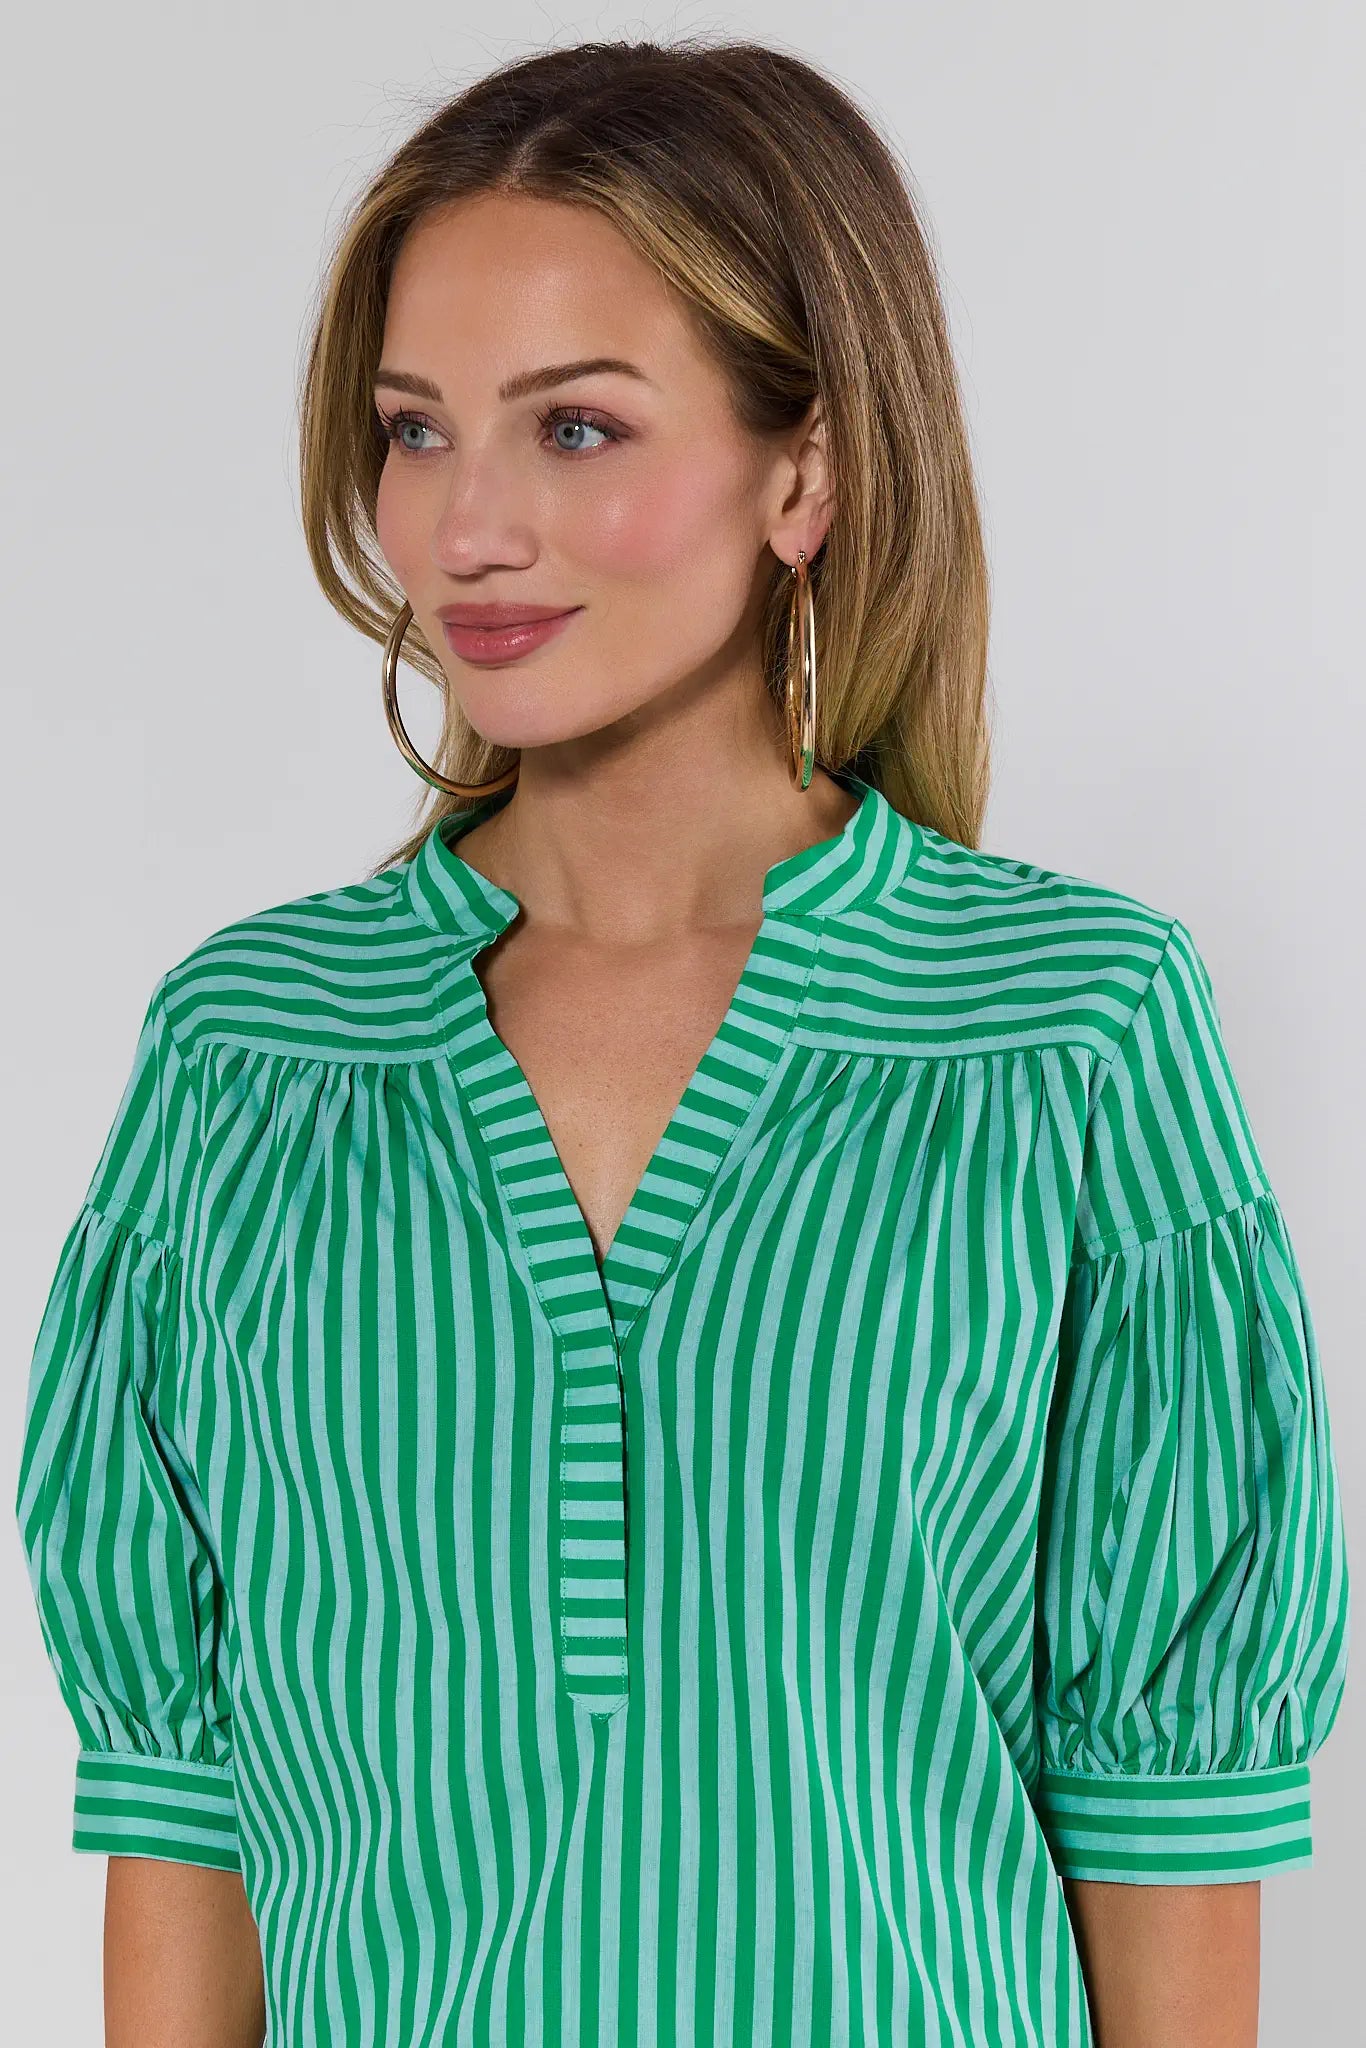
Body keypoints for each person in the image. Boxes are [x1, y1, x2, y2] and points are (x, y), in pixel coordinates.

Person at [14, 36, 1349, 2048]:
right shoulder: (253, 1054)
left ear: (803, 472)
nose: (464, 529)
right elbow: (181, 1801)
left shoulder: (1069, 1029)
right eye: (413, 430)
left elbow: (1163, 1816)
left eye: (574, 428)